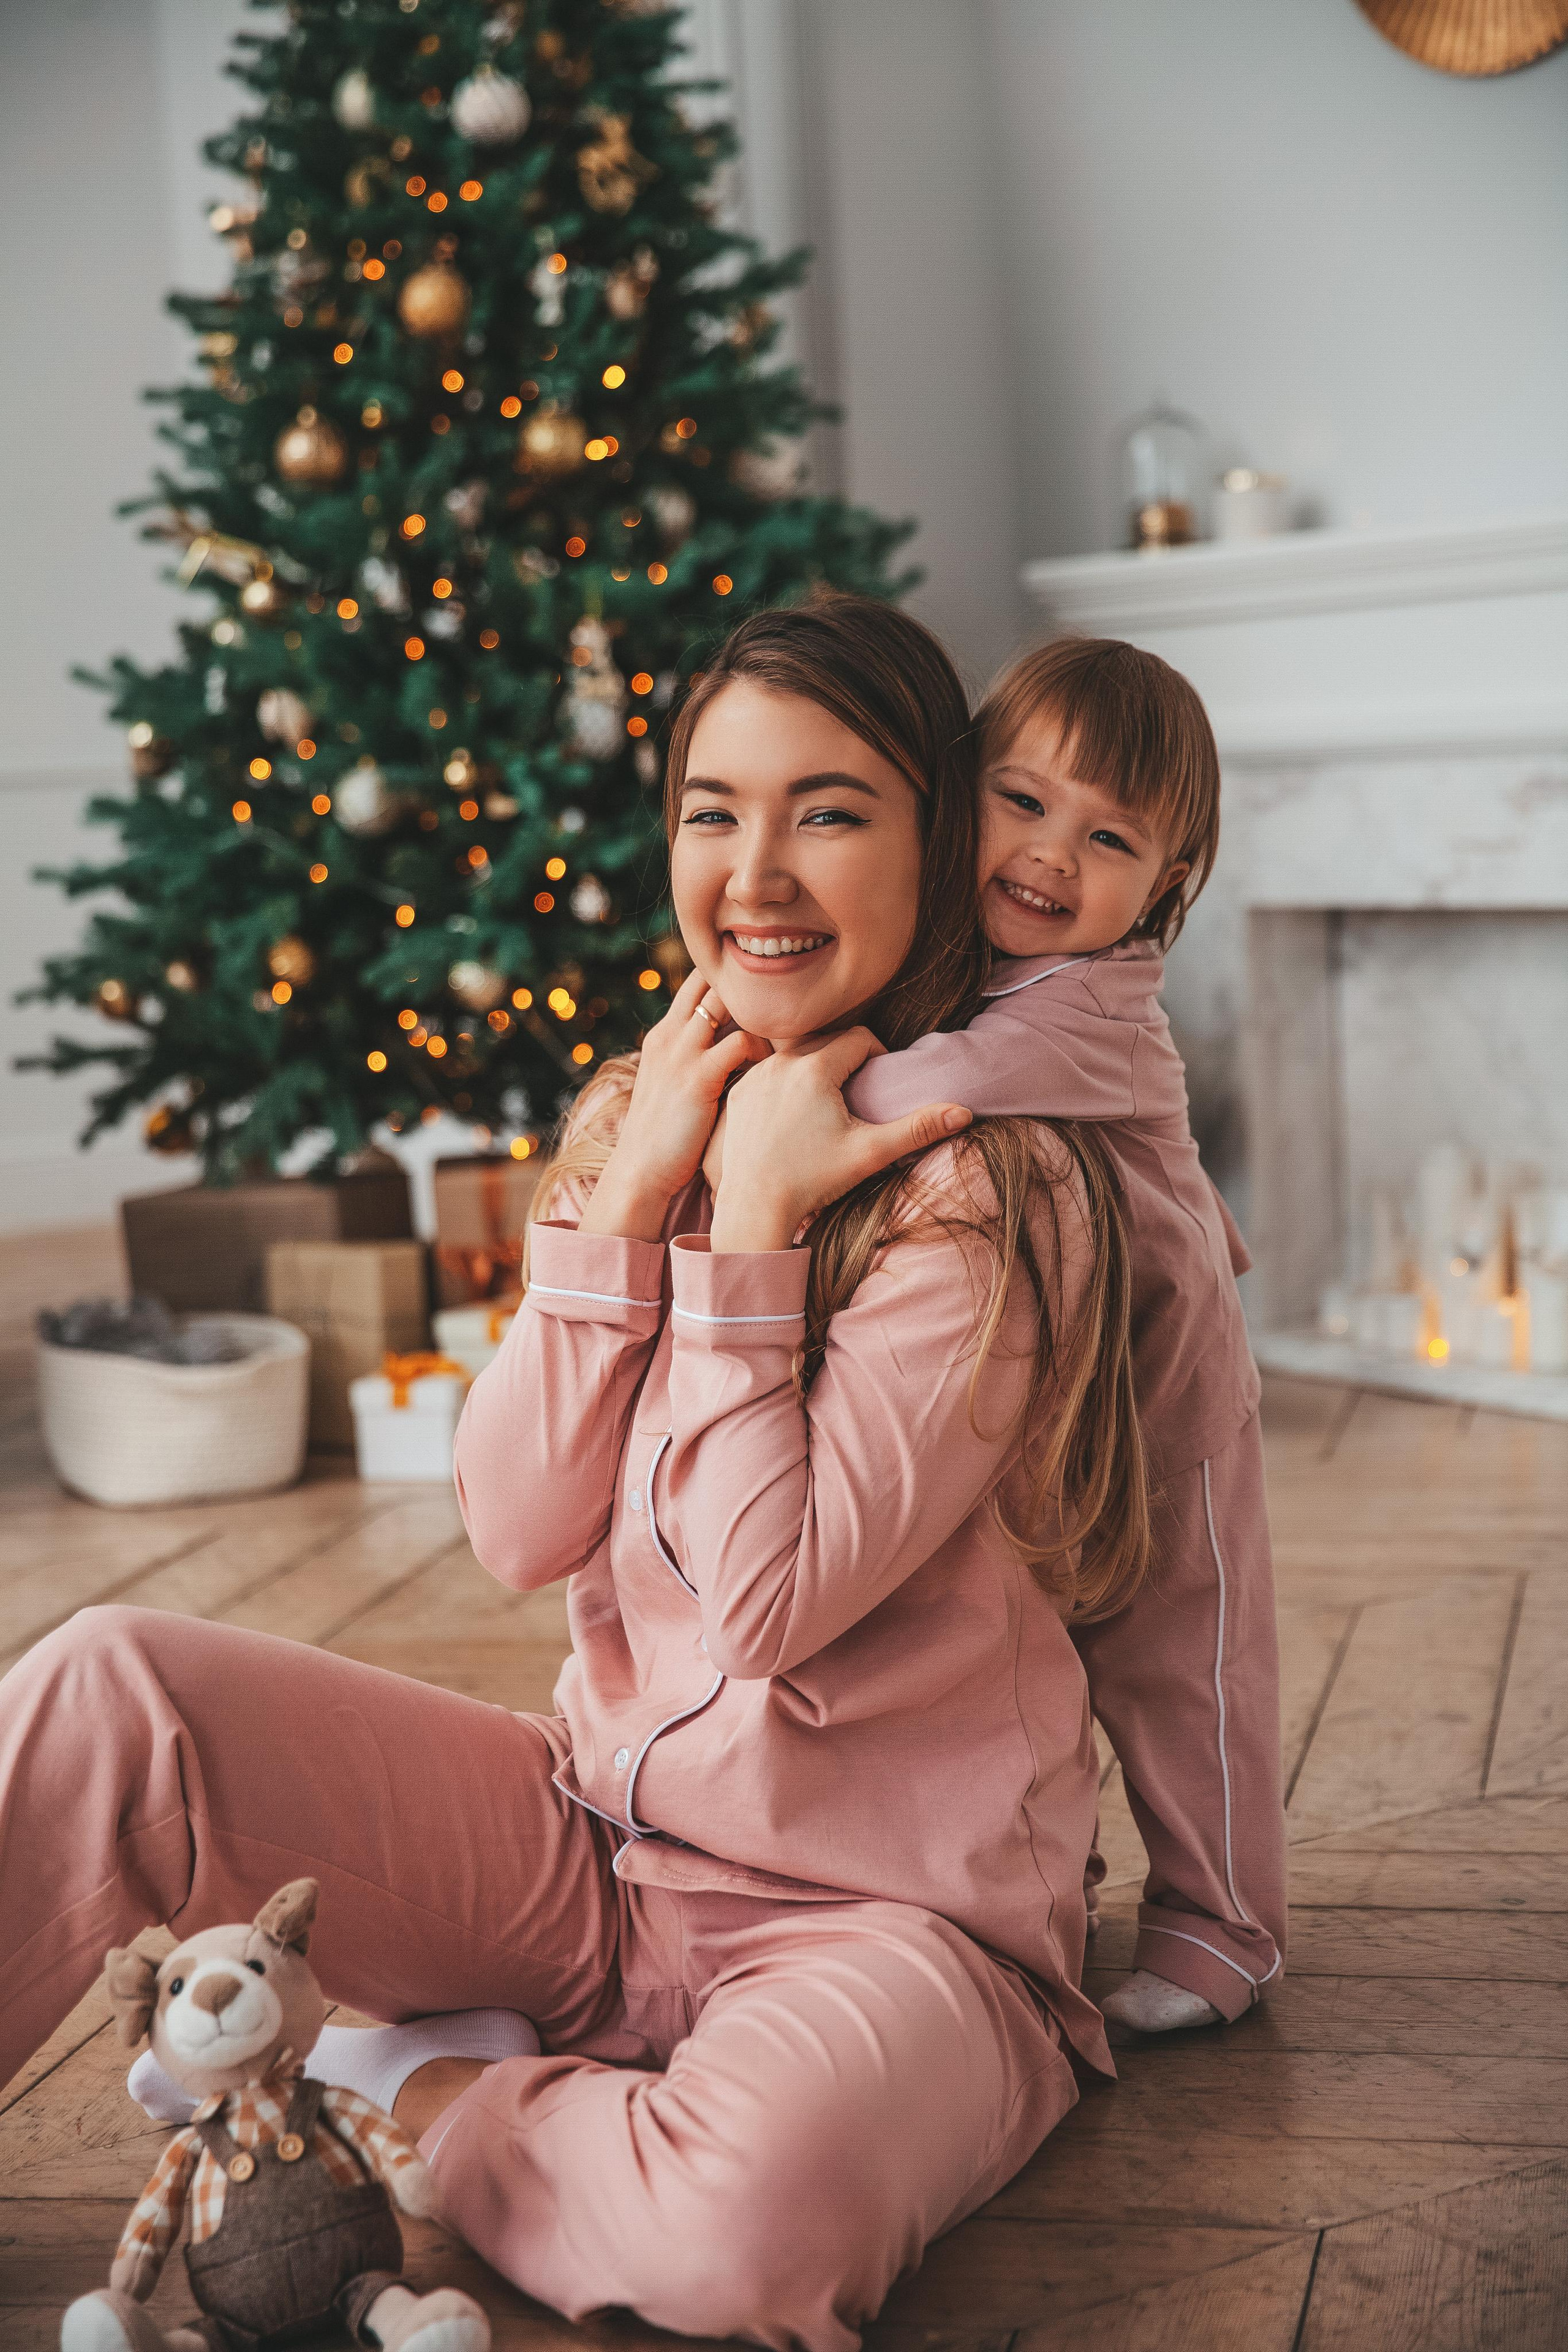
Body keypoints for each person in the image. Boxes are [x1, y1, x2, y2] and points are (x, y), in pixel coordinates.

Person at [0, 598, 1150, 2352]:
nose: (754, 871)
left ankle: (426, 2107)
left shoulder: (988, 1189)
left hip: (893, 1928)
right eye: (712, 807)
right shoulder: (644, 1106)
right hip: (597, 1849)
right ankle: (535, 2071)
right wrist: (634, 1206)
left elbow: (765, 1608)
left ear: (935, 832)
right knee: (114, 1691)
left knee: (749, 2234)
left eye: (828, 811)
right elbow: (518, 1522)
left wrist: (756, 1229)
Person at [847, 636, 1286, 2032]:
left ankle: (1226, 1931)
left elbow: (911, 1095)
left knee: (1186, 1661)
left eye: (1106, 838)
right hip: (1067, 1398)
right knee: (1056, 1644)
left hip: (1169, 1399)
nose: (1048, 855)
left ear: (1162, 883)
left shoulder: (1086, 1000)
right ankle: (1056, 1863)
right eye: (1022, 801)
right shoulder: (981, 961)